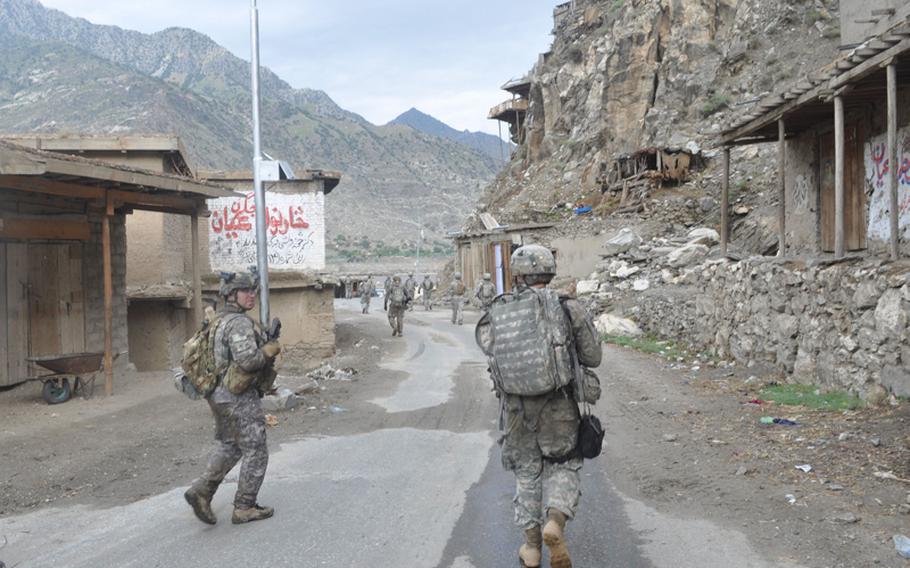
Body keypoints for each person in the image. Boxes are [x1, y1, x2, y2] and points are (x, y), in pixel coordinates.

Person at [476, 245, 602, 568]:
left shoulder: (499, 309)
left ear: (518, 274)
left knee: (527, 475)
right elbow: (593, 357)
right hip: (559, 405)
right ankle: (555, 523)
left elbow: (491, 352)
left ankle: (531, 548)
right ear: (549, 271)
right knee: (564, 465)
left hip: (516, 410)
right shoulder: (566, 306)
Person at [184, 271, 282, 525]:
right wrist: (268, 349)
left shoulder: (218, 320)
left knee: (230, 444)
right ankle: (244, 506)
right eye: (245, 290)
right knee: (256, 448)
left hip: (218, 394)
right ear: (230, 294)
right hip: (238, 396)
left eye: (253, 290)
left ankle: (202, 491)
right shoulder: (238, 322)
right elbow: (247, 361)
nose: (251, 295)